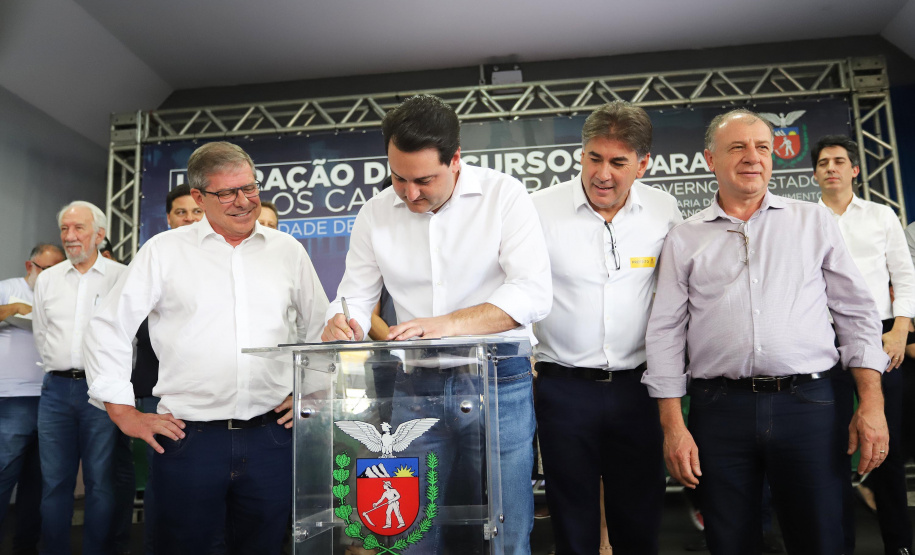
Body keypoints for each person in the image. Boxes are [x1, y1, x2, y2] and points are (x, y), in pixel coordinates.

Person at [643, 109, 890, 554]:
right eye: (737, 147)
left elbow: (857, 313)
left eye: (761, 147)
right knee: (730, 540)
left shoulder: (813, 222)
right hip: (718, 411)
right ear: (709, 159)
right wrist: (673, 428)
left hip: (810, 406)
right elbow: (664, 334)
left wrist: (871, 402)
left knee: (822, 537)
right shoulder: (684, 238)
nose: (752, 157)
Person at [322, 94, 552, 555]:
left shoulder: (503, 196)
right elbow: (354, 295)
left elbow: (532, 294)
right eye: (398, 177)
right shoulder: (374, 213)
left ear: (456, 160)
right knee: (409, 530)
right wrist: (339, 320)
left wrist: (441, 325)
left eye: (424, 180)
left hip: (499, 380)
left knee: (506, 527)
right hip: (415, 386)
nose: (409, 193)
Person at [83, 141, 329, 554]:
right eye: (227, 193)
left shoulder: (288, 251)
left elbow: (320, 328)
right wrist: (123, 410)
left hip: (272, 438)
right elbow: (109, 326)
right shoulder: (164, 251)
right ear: (198, 197)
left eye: (249, 188)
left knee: (265, 546)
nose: (244, 202)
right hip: (188, 441)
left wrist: (314, 391)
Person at [530, 101, 681, 555]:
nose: (603, 174)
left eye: (618, 162)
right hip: (562, 387)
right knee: (571, 516)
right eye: (594, 158)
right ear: (580, 154)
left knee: (639, 514)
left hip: (639, 387)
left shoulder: (664, 208)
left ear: (642, 164)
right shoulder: (538, 209)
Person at [813, 134, 915, 555]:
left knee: (885, 450)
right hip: (820, 338)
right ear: (815, 174)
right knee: (830, 450)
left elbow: (905, 276)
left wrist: (901, 329)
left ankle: (901, 547)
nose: (831, 167)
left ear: (854, 170)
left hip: (881, 335)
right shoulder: (801, 219)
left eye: (839, 161)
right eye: (823, 163)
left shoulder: (881, 215)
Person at [33, 201, 128, 555]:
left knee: (100, 483)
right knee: (54, 484)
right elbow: (42, 336)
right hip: (55, 390)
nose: (70, 237)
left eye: (79, 229)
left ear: (100, 234)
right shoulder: (47, 279)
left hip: (101, 390)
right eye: (64, 229)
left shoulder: (122, 277)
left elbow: (128, 339)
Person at [0, 243, 65, 552]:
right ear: (29, 266)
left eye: (57, 270)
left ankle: (25, 545)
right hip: (14, 396)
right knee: (3, 475)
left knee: (39, 482)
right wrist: (13, 309)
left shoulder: (62, 297)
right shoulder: (8, 289)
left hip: (54, 398)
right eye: (45, 269)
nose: (51, 276)